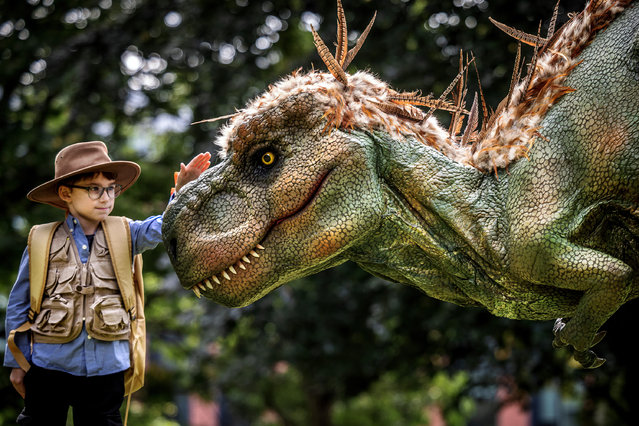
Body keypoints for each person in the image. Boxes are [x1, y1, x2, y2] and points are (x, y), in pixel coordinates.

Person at [3, 141, 211, 425]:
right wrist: (16, 361)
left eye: (110, 188)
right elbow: (19, 303)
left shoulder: (127, 233)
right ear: (66, 193)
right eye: (93, 188)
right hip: (48, 366)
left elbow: (164, 225)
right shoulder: (41, 240)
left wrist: (182, 192)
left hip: (106, 368)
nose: (105, 197)